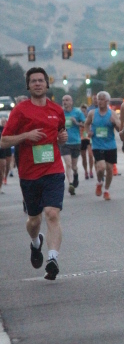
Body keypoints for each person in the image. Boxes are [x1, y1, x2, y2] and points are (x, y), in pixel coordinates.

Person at [0, 67, 68, 280]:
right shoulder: (20, 110)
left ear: (47, 84)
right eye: (33, 81)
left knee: (52, 213)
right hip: (29, 173)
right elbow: (4, 141)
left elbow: (60, 133)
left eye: (41, 80)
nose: (38, 83)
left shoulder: (57, 110)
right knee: (34, 220)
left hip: (53, 169)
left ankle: (53, 259)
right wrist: (26, 135)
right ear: (28, 86)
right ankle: (35, 242)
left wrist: (62, 138)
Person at [84, 91, 120, 200]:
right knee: (101, 167)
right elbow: (86, 124)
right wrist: (88, 132)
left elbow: (120, 129)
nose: (100, 101)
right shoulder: (92, 113)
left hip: (110, 145)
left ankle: (106, 190)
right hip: (97, 145)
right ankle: (99, 182)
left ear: (107, 101)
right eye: (99, 99)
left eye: (102, 99)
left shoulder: (112, 114)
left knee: (109, 169)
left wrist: (114, 123)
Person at [60, 95, 85, 195]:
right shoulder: (60, 113)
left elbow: (85, 124)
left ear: (71, 102)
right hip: (65, 142)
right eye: (63, 100)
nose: (65, 102)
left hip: (76, 142)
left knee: (74, 166)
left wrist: (76, 123)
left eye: (67, 100)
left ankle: (75, 175)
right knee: (68, 164)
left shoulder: (77, 112)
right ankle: (70, 184)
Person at [79, 103, 94, 180]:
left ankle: (91, 170)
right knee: (83, 156)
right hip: (81, 139)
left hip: (88, 138)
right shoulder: (79, 119)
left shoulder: (89, 119)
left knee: (90, 155)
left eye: (84, 111)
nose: (83, 113)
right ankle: (85, 171)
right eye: (82, 111)